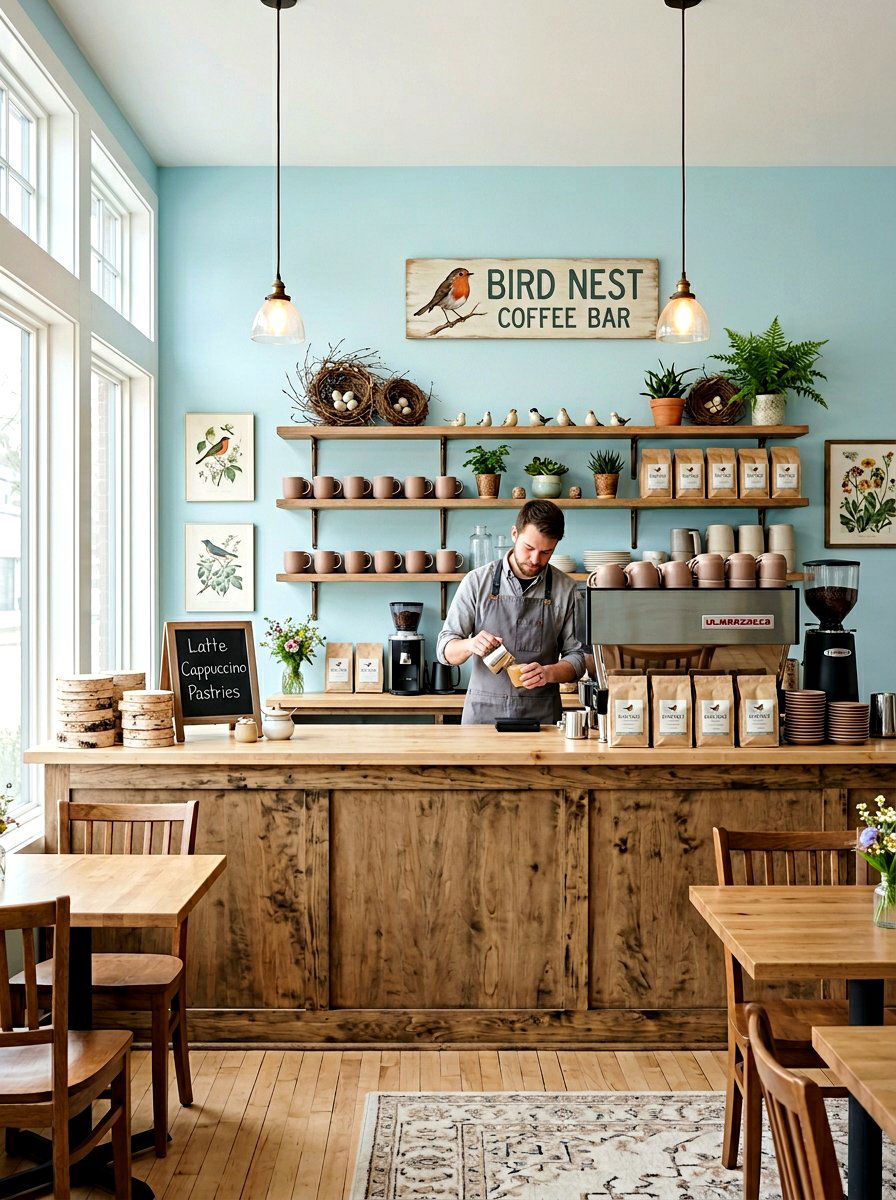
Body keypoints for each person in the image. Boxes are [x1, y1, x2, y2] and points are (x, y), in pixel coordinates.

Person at [436, 499, 587, 725]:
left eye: (546, 552)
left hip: (542, 718)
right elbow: (444, 649)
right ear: (514, 534)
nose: (536, 559)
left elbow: (578, 658)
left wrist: (548, 673)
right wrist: (470, 645)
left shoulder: (566, 589)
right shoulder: (477, 582)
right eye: (529, 548)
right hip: (483, 716)